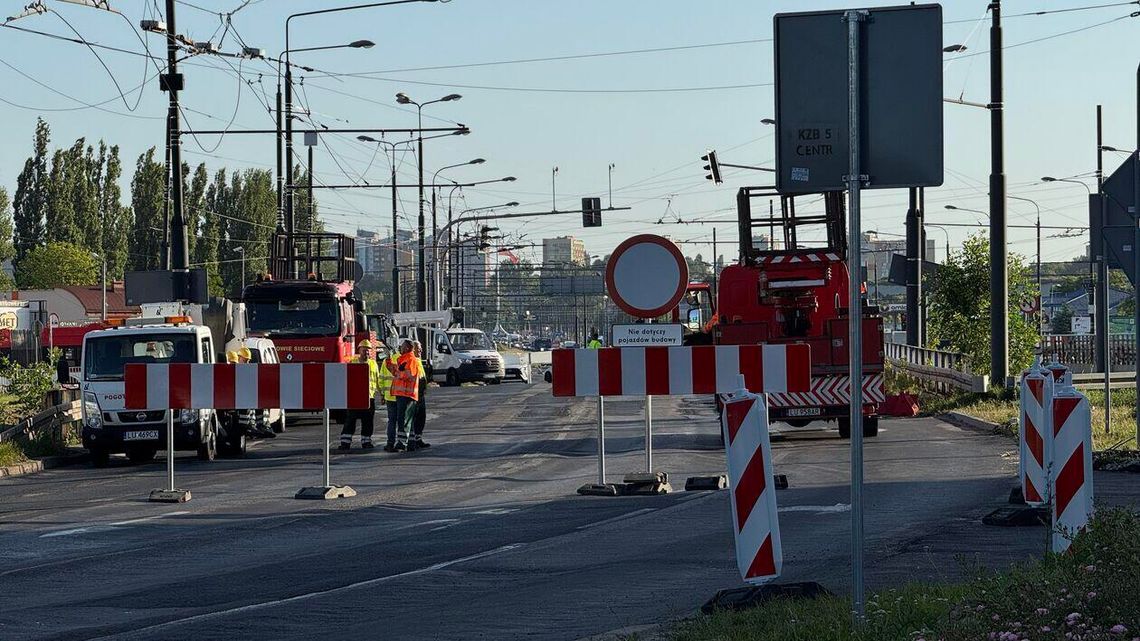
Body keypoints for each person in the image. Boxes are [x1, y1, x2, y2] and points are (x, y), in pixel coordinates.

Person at [339, 340, 381, 450]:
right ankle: (345, 442)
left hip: (369, 397)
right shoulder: (352, 363)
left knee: (367, 421)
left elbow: (378, 380)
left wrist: (382, 395)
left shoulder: (373, 364)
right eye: (364, 350)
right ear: (359, 350)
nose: (366, 353)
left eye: (368, 351)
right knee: (350, 420)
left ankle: (366, 442)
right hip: (355, 397)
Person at [391, 339, 422, 452]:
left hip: (407, 395)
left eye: (402, 346)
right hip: (404, 394)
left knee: (403, 419)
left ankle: (402, 442)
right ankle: (411, 442)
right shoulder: (404, 359)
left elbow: (407, 375)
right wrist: (392, 367)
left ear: (408, 348)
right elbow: (401, 372)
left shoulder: (411, 359)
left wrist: (396, 372)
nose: (400, 348)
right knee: (407, 419)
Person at [378, 346, 400, 452]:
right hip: (401, 396)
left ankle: (390, 443)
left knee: (391, 421)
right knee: (402, 421)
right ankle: (402, 443)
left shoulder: (385, 361)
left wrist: (382, 394)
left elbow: (381, 379)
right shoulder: (403, 359)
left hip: (389, 396)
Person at [410, 340, 430, 450]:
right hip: (413, 394)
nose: (421, 350)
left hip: (420, 394)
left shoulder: (418, 360)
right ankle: (413, 440)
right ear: (413, 349)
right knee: (414, 417)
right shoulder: (412, 360)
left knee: (421, 417)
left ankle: (418, 438)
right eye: (418, 348)